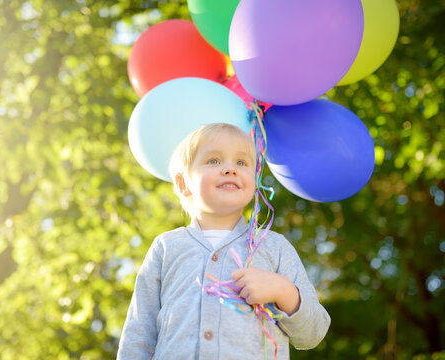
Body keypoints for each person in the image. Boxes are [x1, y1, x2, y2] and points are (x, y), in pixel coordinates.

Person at [117, 123, 330, 360]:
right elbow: (139, 333)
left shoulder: (275, 247)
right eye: (214, 161)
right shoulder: (165, 247)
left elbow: (314, 334)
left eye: (241, 163)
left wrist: (284, 291)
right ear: (182, 183)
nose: (230, 169)